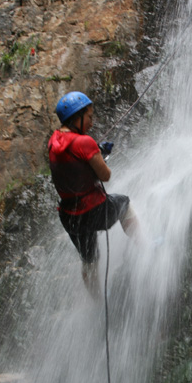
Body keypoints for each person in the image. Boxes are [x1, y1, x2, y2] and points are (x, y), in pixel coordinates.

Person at [48, 91, 140, 298]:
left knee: (89, 260)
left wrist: (92, 156)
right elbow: (105, 176)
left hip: (70, 216)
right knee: (124, 203)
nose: (92, 121)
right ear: (77, 117)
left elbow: (72, 167)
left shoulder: (53, 141)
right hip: (93, 210)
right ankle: (145, 247)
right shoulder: (85, 142)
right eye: (89, 116)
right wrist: (99, 157)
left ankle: (97, 301)